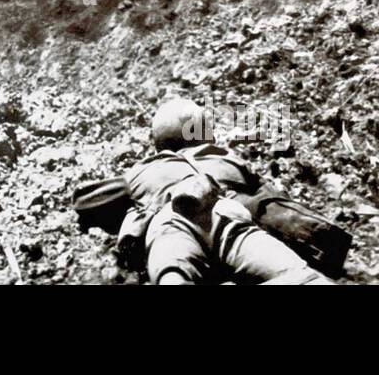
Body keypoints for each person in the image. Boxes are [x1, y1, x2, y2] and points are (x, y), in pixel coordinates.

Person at [78, 98, 335, 285]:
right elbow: (271, 202)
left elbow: (86, 202)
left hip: (171, 223)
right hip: (227, 216)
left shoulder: (144, 171)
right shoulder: (228, 159)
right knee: (307, 279)